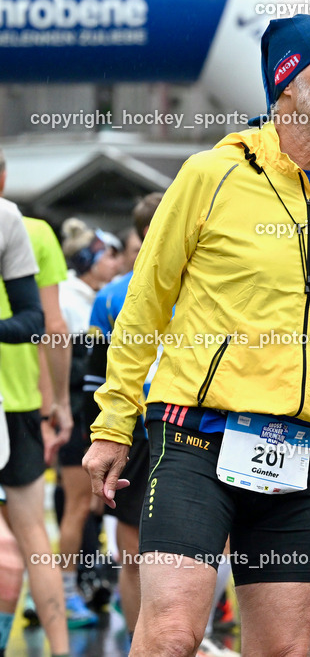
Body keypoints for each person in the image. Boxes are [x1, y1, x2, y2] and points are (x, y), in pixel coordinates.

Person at [84, 13, 310, 656]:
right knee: (171, 636)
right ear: (287, 83)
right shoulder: (210, 174)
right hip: (194, 439)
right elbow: (144, 307)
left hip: (297, 455)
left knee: (284, 650)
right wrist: (111, 426)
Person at [80, 193, 165, 650]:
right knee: (137, 553)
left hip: (169, 427)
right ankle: (147, 640)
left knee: (149, 554)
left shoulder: (203, 286)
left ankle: (171, 637)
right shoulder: (112, 296)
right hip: (142, 428)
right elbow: (94, 376)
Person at [55, 218, 120, 628]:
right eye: (107, 256)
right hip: (77, 419)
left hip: (86, 417)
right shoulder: (69, 299)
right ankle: (62, 595)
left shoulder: (89, 295)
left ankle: (88, 586)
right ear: (87, 261)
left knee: (93, 506)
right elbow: (71, 370)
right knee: (77, 507)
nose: (114, 263)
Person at [0, 149, 52, 655]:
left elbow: (46, 325)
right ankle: (59, 643)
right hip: (23, 402)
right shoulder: (25, 224)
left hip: (12, 406)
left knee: (19, 546)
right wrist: (54, 402)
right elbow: (50, 326)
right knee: (28, 538)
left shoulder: (13, 222)